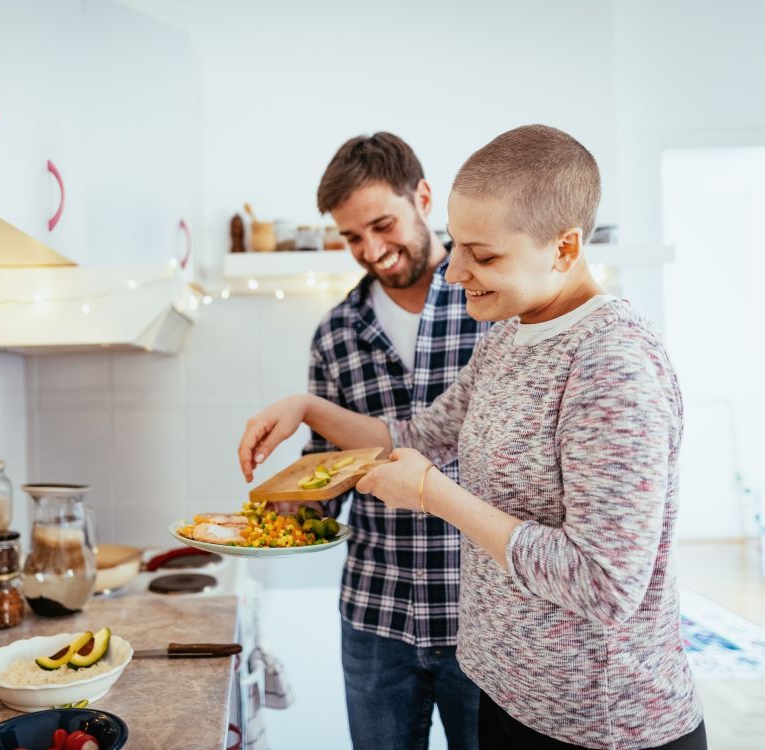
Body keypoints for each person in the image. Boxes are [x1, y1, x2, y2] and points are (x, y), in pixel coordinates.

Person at [239, 125, 706, 750]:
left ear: (564, 248)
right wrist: (306, 409)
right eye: (458, 247)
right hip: (508, 694)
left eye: (482, 256)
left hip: (599, 721)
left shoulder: (612, 361)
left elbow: (604, 582)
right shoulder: (506, 340)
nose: (455, 272)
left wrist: (434, 496)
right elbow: (416, 436)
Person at [277, 132, 490, 749]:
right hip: (376, 615)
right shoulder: (337, 333)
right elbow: (327, 470)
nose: (371, 249)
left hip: (483, 613)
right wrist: (285, 508)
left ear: (423, 197)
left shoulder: (490, 303)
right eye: (351, 237)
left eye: (382, 224)